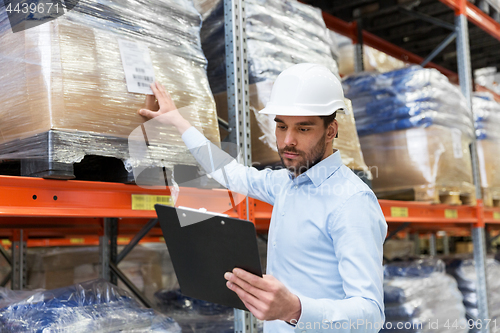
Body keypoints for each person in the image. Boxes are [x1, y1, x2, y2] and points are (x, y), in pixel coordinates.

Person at [138, 63, 388, 333]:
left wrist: (295, 309)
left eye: (303, 129)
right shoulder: (285, 183)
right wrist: (179, 121)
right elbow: (230, 173)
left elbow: (370, 315)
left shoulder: (352, 202)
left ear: (330, 131)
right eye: (281, 127)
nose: (287, 141)